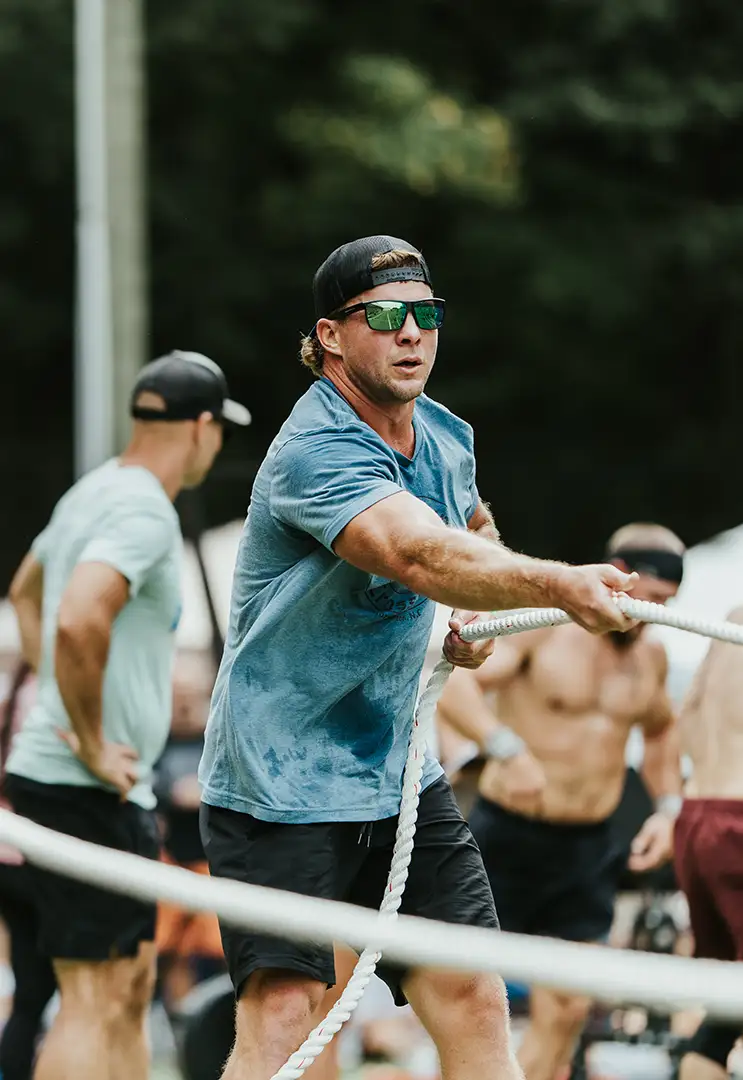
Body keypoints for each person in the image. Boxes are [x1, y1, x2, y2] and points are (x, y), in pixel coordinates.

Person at [197, 233, 641, 1080]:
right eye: (388, 315)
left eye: (426, 315)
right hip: (275, 784)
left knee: (474, 994)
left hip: (399, 776)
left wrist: (472, 617)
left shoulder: (443, 434)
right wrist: (554, 586)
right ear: (330, 336)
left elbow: (468, 531)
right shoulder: (315, 449)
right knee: (288, 1015)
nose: (413, 334)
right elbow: (413, 552)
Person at [5, 351, 250, 1080]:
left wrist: (68, 701)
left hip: (95, 783)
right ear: (202, 428)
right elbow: (79, 619)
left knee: (129, 987)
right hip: (82, 782)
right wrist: (85, 735)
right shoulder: (142, 508)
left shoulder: (95, 490)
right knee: (91, 996)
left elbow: (26, 593)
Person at [437, 522, 686, 1080]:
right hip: (509, 834)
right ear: (618, 578)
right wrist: (505, 749)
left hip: (587, 849)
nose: (651, 611)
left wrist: (669, 809)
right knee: (467, 1000)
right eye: (649, 597)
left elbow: (663, 731)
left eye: (668, 602)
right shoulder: (546, 629)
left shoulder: (653, 658)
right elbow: (455, 682)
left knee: (569, 1008)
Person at [669, 606, 743, 1080]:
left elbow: (686, 718)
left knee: (724, 1014)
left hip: (696, 818)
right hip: (736, 821)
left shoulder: (730, 623)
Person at [0, 660, 57, 1080]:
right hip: (38, 862)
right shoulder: (47, 693)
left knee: (31, 995)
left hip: (9, 859)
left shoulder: (16, 693)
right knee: (66, 996)